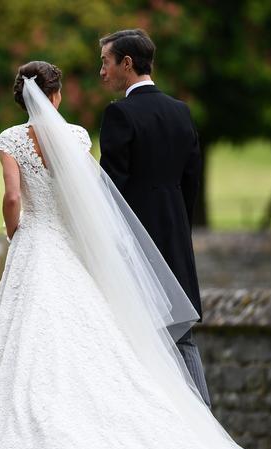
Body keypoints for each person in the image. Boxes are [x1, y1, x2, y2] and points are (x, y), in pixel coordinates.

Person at [0, 59, 263, 449]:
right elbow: (87, 195)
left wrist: (15, 231)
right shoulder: (77, 136)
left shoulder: (11, 138)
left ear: (21, 97)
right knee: (92, 331)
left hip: (35, 240)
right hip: (70, 244)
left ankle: (32, 425)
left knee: (28, 330)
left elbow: (13, 198)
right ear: (56, 94)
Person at [98, 29, 210, 405]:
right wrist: (177, 223)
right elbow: (191, 178)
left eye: (105, 62)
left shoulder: (120, 114)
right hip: (175, 236)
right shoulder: (181, 111)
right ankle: (204, 422)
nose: (102, 72)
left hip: (134, 242)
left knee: (132, 336)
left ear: (126, 64)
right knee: (181, 333)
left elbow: (110, 190)